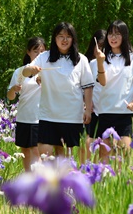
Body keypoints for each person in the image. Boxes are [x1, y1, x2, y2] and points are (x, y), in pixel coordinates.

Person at [22, 22, 94, 157]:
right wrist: (31, 69)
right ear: (55, 38)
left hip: (72, 117)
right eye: (60, 36)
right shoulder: (44, 57)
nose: (64, 40)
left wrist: (88, 110)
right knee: (45, 155)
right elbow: (26, 72)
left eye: (68, 36)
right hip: (48, 115)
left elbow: (88, 86)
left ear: (73, 39)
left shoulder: (81, 59)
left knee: (65, 158)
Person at [93, 20, 133, 163]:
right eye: (110, 34)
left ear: (124, 36)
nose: (113, 38)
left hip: (125, 113)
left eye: (117, 34)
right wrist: (99, 62)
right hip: (105, 111)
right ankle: (103, 184)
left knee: (124, 152)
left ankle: (122, 183)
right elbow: (102, 82)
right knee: (104, 153)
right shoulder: (103, 58)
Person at [7, 37, 46, 171]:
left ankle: (40, 181)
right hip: (24, 116)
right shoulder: (19, 72)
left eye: (42, 51)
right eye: (36, 51)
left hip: (40, 118)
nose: (39, 55)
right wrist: (14, 89)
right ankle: (29, 179)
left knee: (36, 151)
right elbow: (10, 96)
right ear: (28, 52)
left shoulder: (47, 71)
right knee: (25, 151)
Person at [80, 29, 106, 162]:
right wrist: (87, 104)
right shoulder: (89, 63)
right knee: (89, 141)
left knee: (106, 144)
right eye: (99, 46)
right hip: (93, 109)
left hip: (108, 108)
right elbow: (85, 86)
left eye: (104, 47)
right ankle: (87, 167)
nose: (101, 50)